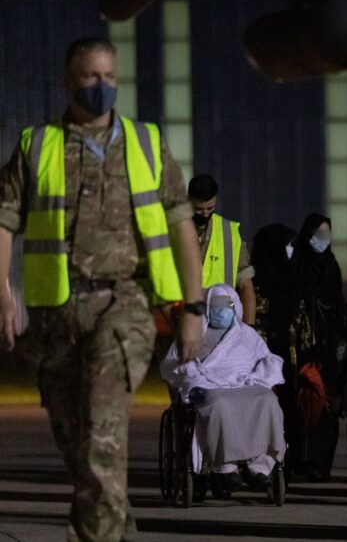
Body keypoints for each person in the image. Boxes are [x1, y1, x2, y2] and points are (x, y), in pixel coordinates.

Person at [0, 37, 204, 541]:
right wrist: (3, 292)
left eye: (110, 77)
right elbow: (4, 220)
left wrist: (193, 307)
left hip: (124, 307)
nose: (102, 86)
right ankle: (114, 530)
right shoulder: (37, 144)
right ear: (71, 81)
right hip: (58, 318)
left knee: (101, 440)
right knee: (79, 451)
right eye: (92, 77)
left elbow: (181, 224)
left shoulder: (147, 144)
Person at [160, 284, 286, 495]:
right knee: (219, 403)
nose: (222, 310)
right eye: (216, 306)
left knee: (268, 401)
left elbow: (267, 359)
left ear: (235, 306)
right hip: (211, 385)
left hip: (245, 382)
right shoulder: (193, 333)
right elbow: (175, 363)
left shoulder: (247, 335)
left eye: (226, 305)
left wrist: (260, 377)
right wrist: (194, 377)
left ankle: (260, 467)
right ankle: (225, 467)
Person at [283, 213, 347, 481]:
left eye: (326, 235)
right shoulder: (295, 266)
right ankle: (298, 462)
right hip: (300, 350)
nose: (322, 241)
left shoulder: (331, 267)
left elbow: (339, 308)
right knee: (301, 407)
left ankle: (320, 466)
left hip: (327, 352)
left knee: (326, 409)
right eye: (317, 235)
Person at [189, 174, 256, 324]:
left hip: (221, 324)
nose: (205, 214)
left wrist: (248, 330)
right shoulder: (173, 232)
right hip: (183, 322)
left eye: (210, 208)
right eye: (199, 210)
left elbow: (246, 286)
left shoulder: (229, 233)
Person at [250, 223, 298, 361]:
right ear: (273, 249)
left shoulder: (296, 285)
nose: (291, 250)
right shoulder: (251, 291)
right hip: (260, 362)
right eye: (287, 245)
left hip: (292, 367)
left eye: (293, 245)